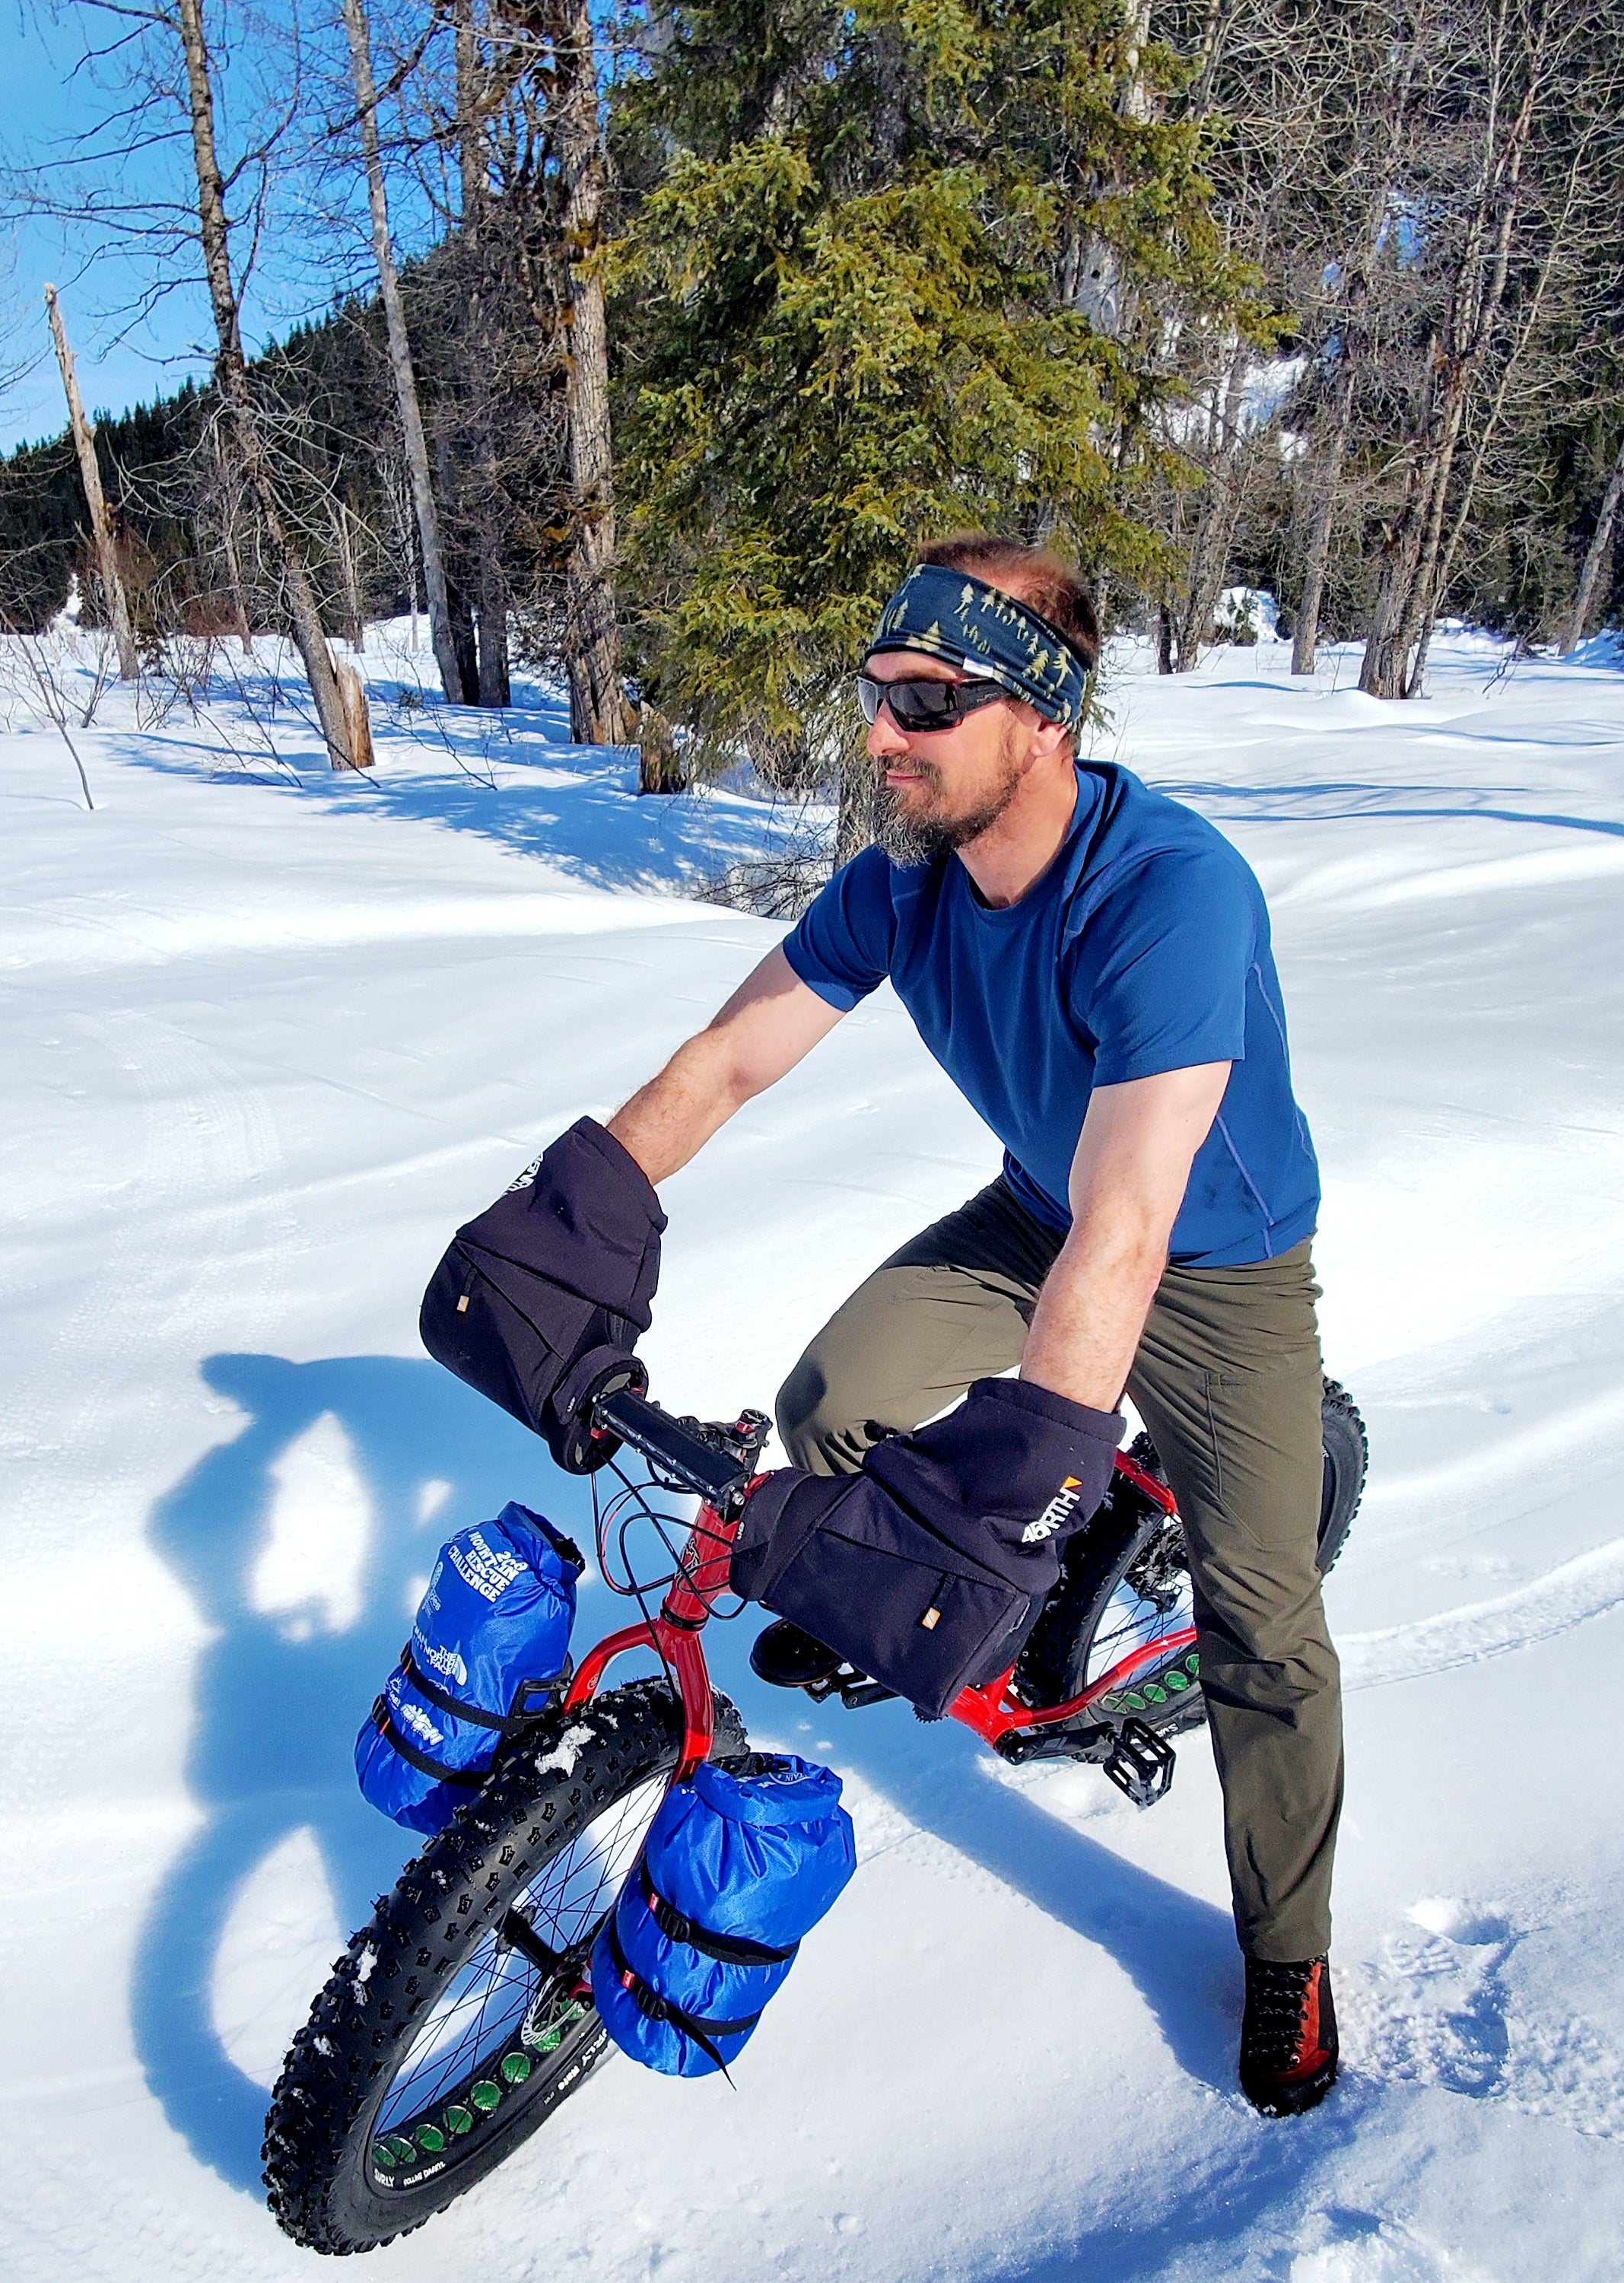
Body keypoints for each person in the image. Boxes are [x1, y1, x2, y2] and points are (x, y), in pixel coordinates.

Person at [504, 535, 1340, 2116]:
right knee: (833, 1400)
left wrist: (1029, 1468)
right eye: (877, 693)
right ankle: (972, 1609)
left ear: (1043, 719)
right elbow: (728, 1060)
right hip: (1042, 1210)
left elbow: (1137, 1223)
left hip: (1213, 1261)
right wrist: (575, 1211)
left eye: (927, 702)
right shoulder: (905, 882)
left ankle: (1291, 1942)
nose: (881, 735)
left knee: (1267, 1619)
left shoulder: (1172, 892)